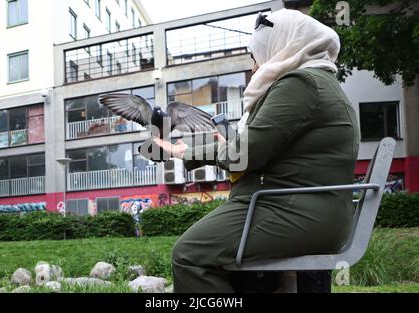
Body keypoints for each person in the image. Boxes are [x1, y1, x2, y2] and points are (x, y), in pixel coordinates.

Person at [154, 8, 359, 293]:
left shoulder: (300, 84)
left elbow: (244, 156)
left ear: (280, 45)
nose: (254, 68)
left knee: (189, 255)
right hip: (307, 208)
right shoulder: (319, 82)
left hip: (294, 210)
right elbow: (265, 149)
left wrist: (184, 152)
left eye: (255, 57)